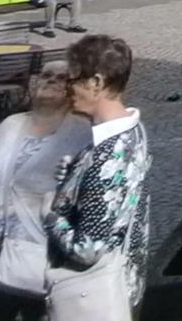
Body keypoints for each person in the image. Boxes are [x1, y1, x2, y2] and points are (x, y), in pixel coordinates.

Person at [0, 64, 92, 321]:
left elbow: (87, 197)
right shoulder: (10, 125)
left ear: (73, 89)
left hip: (43, 262)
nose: (51, 81)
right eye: (46, 75)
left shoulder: (82, 132)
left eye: (61, 78)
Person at [46, 35, 151, 320]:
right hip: (126, 284)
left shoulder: (107, 154)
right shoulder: (134, 129)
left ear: (96, 83)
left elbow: (87, 248)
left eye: (72, 80)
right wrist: (72, 177)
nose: (67, 89)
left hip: (93, 297)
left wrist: (49, 214)